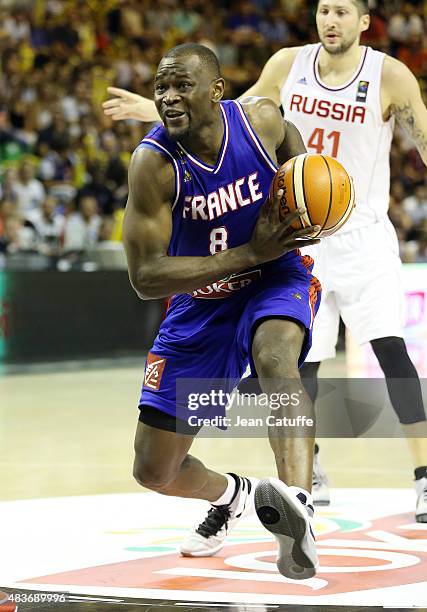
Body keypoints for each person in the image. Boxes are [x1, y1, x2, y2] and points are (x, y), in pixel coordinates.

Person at [102, 0, 427, 523]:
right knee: (292, 371)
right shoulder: (284, 66)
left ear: (364, 22)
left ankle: (410, 479)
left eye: (343, 10)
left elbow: (421, 142)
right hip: (267, 248)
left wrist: (303, 187)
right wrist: (154, 107)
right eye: (324, 9)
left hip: (347, 233)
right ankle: (286, 481)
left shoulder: (389, 75)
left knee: (380, 355)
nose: (331, 19)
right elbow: (225, 113)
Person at [122, 42, 323, 579]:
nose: (167, 97)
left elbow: (301, 165)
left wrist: (315, 205)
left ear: (216, 90)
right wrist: (245, 253)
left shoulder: (262, 123)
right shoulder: (154, 164)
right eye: (160, 87)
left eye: (180, 85)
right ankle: (236, 494)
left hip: (273, 279)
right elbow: (144, 277)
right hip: (200, 307)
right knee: (154, 471)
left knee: (276, 358)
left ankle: (297, 507)